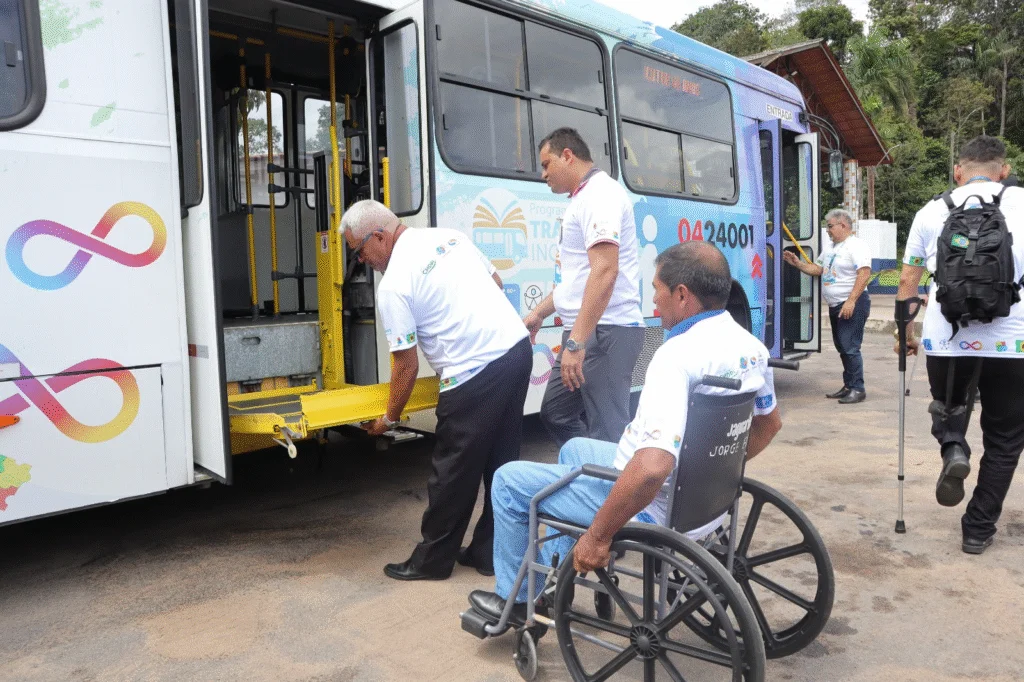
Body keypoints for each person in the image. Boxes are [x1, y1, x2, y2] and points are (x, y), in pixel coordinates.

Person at [467, 242, 782, 621]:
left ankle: (515, 603)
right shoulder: (750, 347)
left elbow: (651, 467)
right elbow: (769, 424)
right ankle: (559, 579)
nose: (653, 301)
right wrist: (709, 473)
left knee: (507, 481)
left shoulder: (677, 356)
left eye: (656, 289)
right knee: (575, 450)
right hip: (702, 499)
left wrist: (598, 536)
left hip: (654, 505)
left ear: (682, 295)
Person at [341, 200, 532, 580]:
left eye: (359, 251)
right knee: (501, 461)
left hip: (474, 371)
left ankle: (432, 561)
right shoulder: (449, 237)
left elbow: (406, 366)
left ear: (379, 237)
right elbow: (495, 283)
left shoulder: (394, 285)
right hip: (516, 350)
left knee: (453, 470)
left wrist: (389, 419)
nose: (361, 260)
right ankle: (489, 552)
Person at [896, 135, 1024, 555]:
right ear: (1003, 170)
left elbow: (909, 280)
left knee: (949, 411)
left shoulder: (932, 210)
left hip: (947, 338)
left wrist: (904, 332)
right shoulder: (1021, 203)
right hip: (1012, 342)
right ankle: (977, 528)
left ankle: (953, 447)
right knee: (1005, 437)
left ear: (958, 171)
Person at [522, 128, 643, 446]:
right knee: (556, 413)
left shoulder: (600, 195)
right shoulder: (582, 198)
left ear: (567, 155)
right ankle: (592, 470)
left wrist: (576, 343)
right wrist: (538, 313)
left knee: (608, 429)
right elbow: (577, 281)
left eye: (547, 164)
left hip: (606, 330)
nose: (543, 174)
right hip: (586, 330)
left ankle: (612, 488)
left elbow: (605, 271)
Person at [783, 208, 872, 403]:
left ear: (843, 225)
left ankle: (858, 388)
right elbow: (819, 269)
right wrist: (797, 264)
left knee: (850, 347)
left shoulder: (856, 246)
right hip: (836, 304)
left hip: (851, 304)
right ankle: (849, 385)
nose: (828, 230)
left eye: (830, 226)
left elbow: (864, 274)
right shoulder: (832, 247)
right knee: (842, 346)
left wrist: (851, 301)